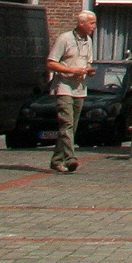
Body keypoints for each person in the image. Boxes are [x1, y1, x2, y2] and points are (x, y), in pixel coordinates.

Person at [44, 11, 96, 175]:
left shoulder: (88, 41)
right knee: (66, 124)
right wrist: (71, 70)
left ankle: (57, 160)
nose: (94, 27)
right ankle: (70, 158)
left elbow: (88, 62)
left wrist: (88, 70)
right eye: (92, 23)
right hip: (64, 87)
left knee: (71, 128)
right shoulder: (65, 39)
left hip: (80, 88)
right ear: (82, 24)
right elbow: (51, 63)